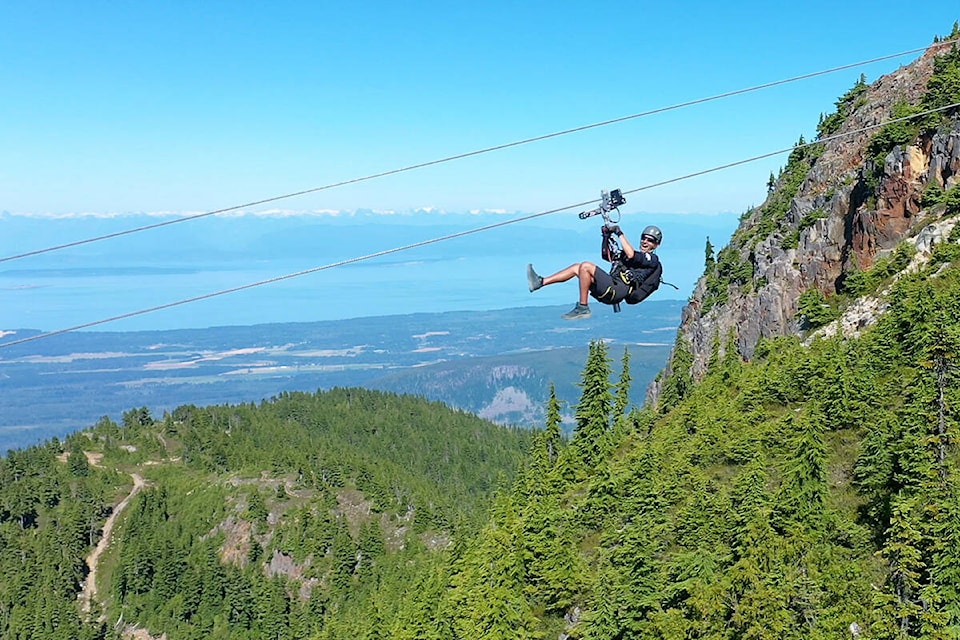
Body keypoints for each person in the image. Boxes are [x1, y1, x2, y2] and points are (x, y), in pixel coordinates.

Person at [527, 224, 663, 320]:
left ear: (656, 245)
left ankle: (583, 307)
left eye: (650, 240)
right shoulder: (634, 257)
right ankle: (540, 282)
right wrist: (606, 237)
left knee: (586, 266)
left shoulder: (651, 259)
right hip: (612, 287)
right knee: (577, 267)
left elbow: (631, 254)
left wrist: (619, 233)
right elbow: (607, 256)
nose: (645, 241)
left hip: (617, 290)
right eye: (644, 238)